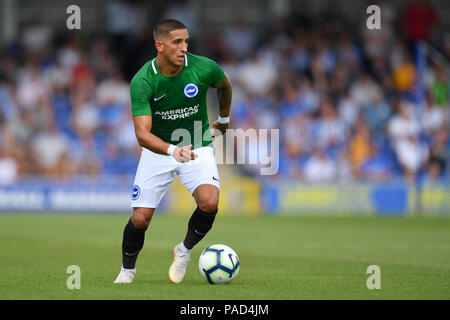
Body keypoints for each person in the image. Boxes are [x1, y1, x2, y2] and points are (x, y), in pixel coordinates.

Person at [114, 19, 232, 284]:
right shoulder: (143, 80)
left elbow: (224, 84)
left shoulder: (203, 68)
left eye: (186, 41)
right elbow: (142, 135)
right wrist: (172, 150)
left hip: (197, 143)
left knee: (210, 202)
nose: (184, 48)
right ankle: (127, 271)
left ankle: (184, 250)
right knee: (141, 219)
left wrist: (223, 120)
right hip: (159, 150)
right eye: (177, 42)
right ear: (160, 45)